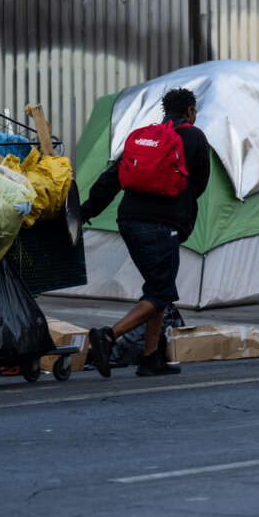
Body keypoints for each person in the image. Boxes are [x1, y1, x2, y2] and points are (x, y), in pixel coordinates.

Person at [79, 87, 211, 376]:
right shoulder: (194, 137)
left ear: (165, 111)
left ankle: (151, 358)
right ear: (190, 111)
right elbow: (200, 184)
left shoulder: (146, 137)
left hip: (129, 221)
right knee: (161, 291)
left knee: (156, 289)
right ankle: (108, 336)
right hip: (162, 227)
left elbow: (113, 176)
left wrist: (87, 210)